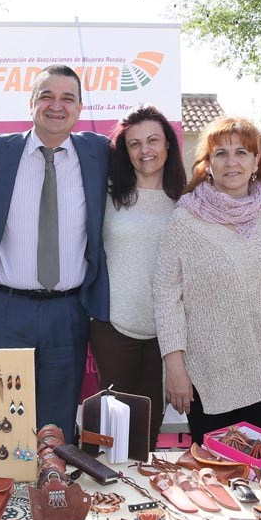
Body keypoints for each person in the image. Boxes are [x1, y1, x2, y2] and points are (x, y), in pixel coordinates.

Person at [0, 65, 111, 442]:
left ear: (80, 108)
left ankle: (53, 491)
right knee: (4, 416)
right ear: (31, 102)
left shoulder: (98, 152)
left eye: (67, 97)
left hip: (68, 310)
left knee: (57, 421)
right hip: (7, 308)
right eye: (47, 96)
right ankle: (9, 494)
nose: (57, 106)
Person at [154, 117, 261, 441]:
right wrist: (175, 368)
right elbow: (166, 298)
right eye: (220, 153)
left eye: (241, 152)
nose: (231, 161)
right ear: (207, 164)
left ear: (256, 161)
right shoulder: (184, 221)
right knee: (217, 484)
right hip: (210, 378)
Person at [89, 104, 185, 450]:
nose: (145, 150)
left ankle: (141, 499)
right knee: (112, 433)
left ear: (168, 145)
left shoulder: (187, 201)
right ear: (124, 151)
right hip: (114, 327)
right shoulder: (107, 196)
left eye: (153, 140)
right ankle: (106, 498)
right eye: (134, 143)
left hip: (167, 333)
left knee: (147, 430)